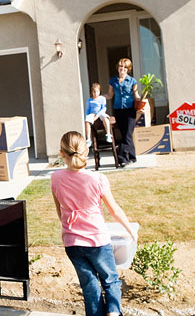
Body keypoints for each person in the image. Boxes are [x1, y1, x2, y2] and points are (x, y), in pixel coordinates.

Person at [51, 131, 138, 316]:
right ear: (87, 151)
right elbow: (115, 210)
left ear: (62, 154)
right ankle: (113, 312)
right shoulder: (97, 179)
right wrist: (131, 231)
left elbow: (60, 212)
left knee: (90, 288)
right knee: (111, 281)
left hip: (72, 243)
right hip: (97, 242)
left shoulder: (56, 178)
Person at [106, 58, 141, 167]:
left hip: (130, 110)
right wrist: (97, 98)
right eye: (121, 66)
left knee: (127, 134)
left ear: (128, 69)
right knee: (125, 134)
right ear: (118, 68)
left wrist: (141, 100)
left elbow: (136, 95)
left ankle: (122, 158)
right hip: (118, 110)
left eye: (125, 67)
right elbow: (110, 95)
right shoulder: (112, 81)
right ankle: (132, 157)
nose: (123, 69)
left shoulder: (132, 81)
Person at [84, 83, 112, 147]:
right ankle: (88, 139)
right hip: (92, 113)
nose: (96, 93)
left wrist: (97, 115)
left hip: (100, 112)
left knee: (105, 118)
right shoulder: (89, 100)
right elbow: (87, 110)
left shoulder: (102, 98)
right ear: (92, 92)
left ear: (99, 91)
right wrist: (87, 116)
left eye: (97, 91)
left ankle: (108, 134)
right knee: (87, 121)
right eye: (94, 91)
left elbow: (104, 108)